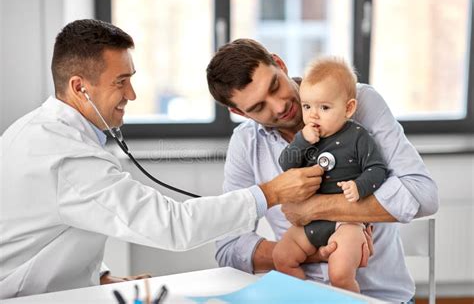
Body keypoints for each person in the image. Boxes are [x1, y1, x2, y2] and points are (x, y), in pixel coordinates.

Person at [0, 20, 320, 299]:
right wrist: (271, 193)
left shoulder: (43, 133)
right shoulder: (63, 154)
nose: (132, 94)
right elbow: (172, 226)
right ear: (79, 88)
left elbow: (51, 228)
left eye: (131, 78)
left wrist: (100, 276)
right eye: (120, 82)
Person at [206, 38, 439, 303]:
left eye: (275, 85)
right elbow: (229, 247)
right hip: (302, 297)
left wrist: (314, 208)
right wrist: (303, 253)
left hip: (380, 298)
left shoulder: (357, 102)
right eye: (259, 107)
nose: (280, 106)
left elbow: (424, 194)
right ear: (240, 112)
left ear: (280, 64)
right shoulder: (246, 143)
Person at [274, 57, 387, 293]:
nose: (313, 116)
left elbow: (377, 169)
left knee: (340, 273)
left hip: (346, 222)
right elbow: (286, 164)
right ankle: (305, 298)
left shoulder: (358, 136)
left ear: (348, 108)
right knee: (281, 257)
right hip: (311, 223)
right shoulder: (305, 139)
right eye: (307, 107)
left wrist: (360, 187)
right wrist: (301, 141)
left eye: (324, 108)